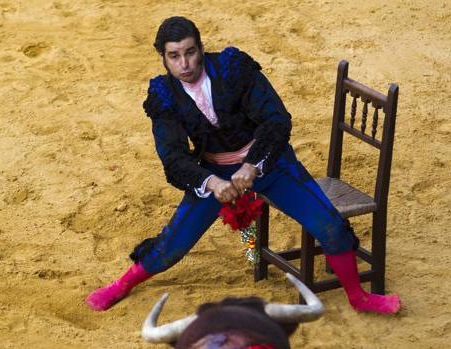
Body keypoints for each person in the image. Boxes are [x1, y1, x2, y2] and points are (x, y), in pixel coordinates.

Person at [86, 16, 401, 314]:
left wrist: (253, 165)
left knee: (329, 225)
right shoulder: (163, 94)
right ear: (163, 58)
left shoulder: (233, 68)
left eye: (190, 53)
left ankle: (358, 297)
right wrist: (212, 182)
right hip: (214, 175)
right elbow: (173, 158)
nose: (184, 64)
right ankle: (122, 284)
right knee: (172, 245)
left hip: (269, 164)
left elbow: (277, 121)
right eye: (174, 56)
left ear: (201, 48)